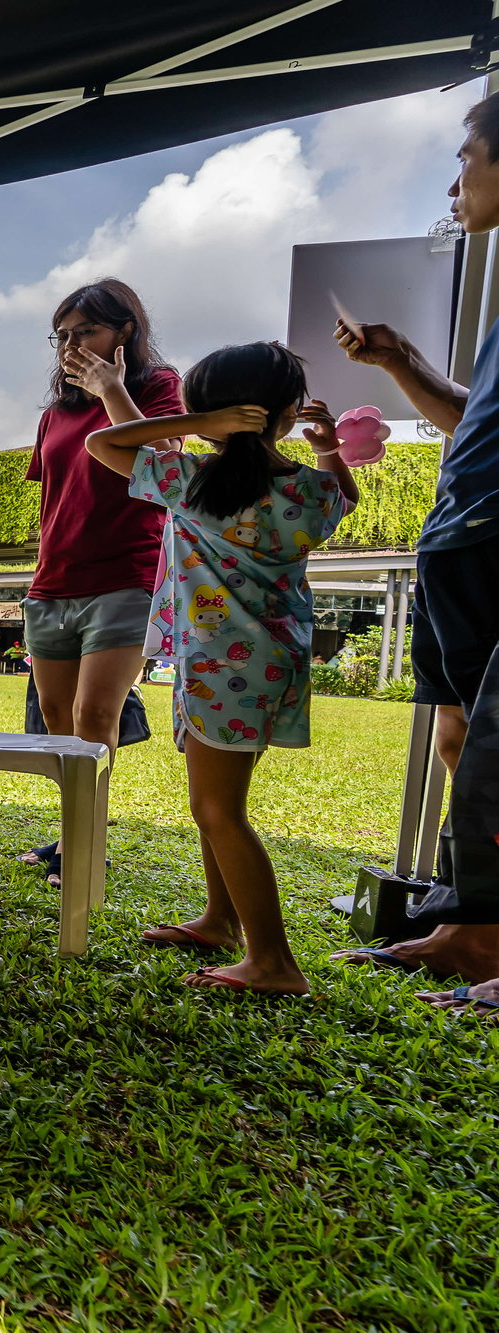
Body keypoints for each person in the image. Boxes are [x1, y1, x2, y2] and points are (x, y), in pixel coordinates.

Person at [85, 343, 354, 994]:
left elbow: (104, 444)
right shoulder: (305, 489)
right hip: (263, 668)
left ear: (206, 416)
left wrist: (194, 427)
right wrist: (327, 446)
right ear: (289, 412)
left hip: (221, 670)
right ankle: (220, 919)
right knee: (217, 804)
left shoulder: (192, 482)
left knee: (218, 809)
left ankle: (273, 961)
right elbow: (341, 495)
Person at [327, 93, 499, 1016]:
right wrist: (397, 362)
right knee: (459, 739)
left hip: (491, 538)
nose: (454, 179)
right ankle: (470, 920)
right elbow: (477, 417)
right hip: (461, 539)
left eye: (467, 156)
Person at [19, 279, 184, 884]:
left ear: (126, 332)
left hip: (123, 576)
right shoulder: (53, 416)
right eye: (62, 336)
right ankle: (70, 836)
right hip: (52, 582)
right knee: (57, 719)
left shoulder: (159, 388)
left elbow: (166, 458)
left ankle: (87, 845)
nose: (70, 345)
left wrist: (113, 391)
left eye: (86, 330)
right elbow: (57, 500)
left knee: (95, 716)